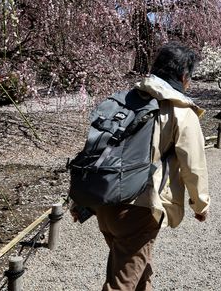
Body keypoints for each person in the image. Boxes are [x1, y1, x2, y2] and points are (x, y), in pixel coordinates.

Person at [72, 43, 211, 290]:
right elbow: (194, 165)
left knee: (139, 272)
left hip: (105, 201)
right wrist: (200, 205)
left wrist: (80, 201)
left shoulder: (126, 100)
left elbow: (98, 149)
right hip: (139, 208)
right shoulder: (181, 111)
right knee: (122, 282)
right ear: (183, 76)